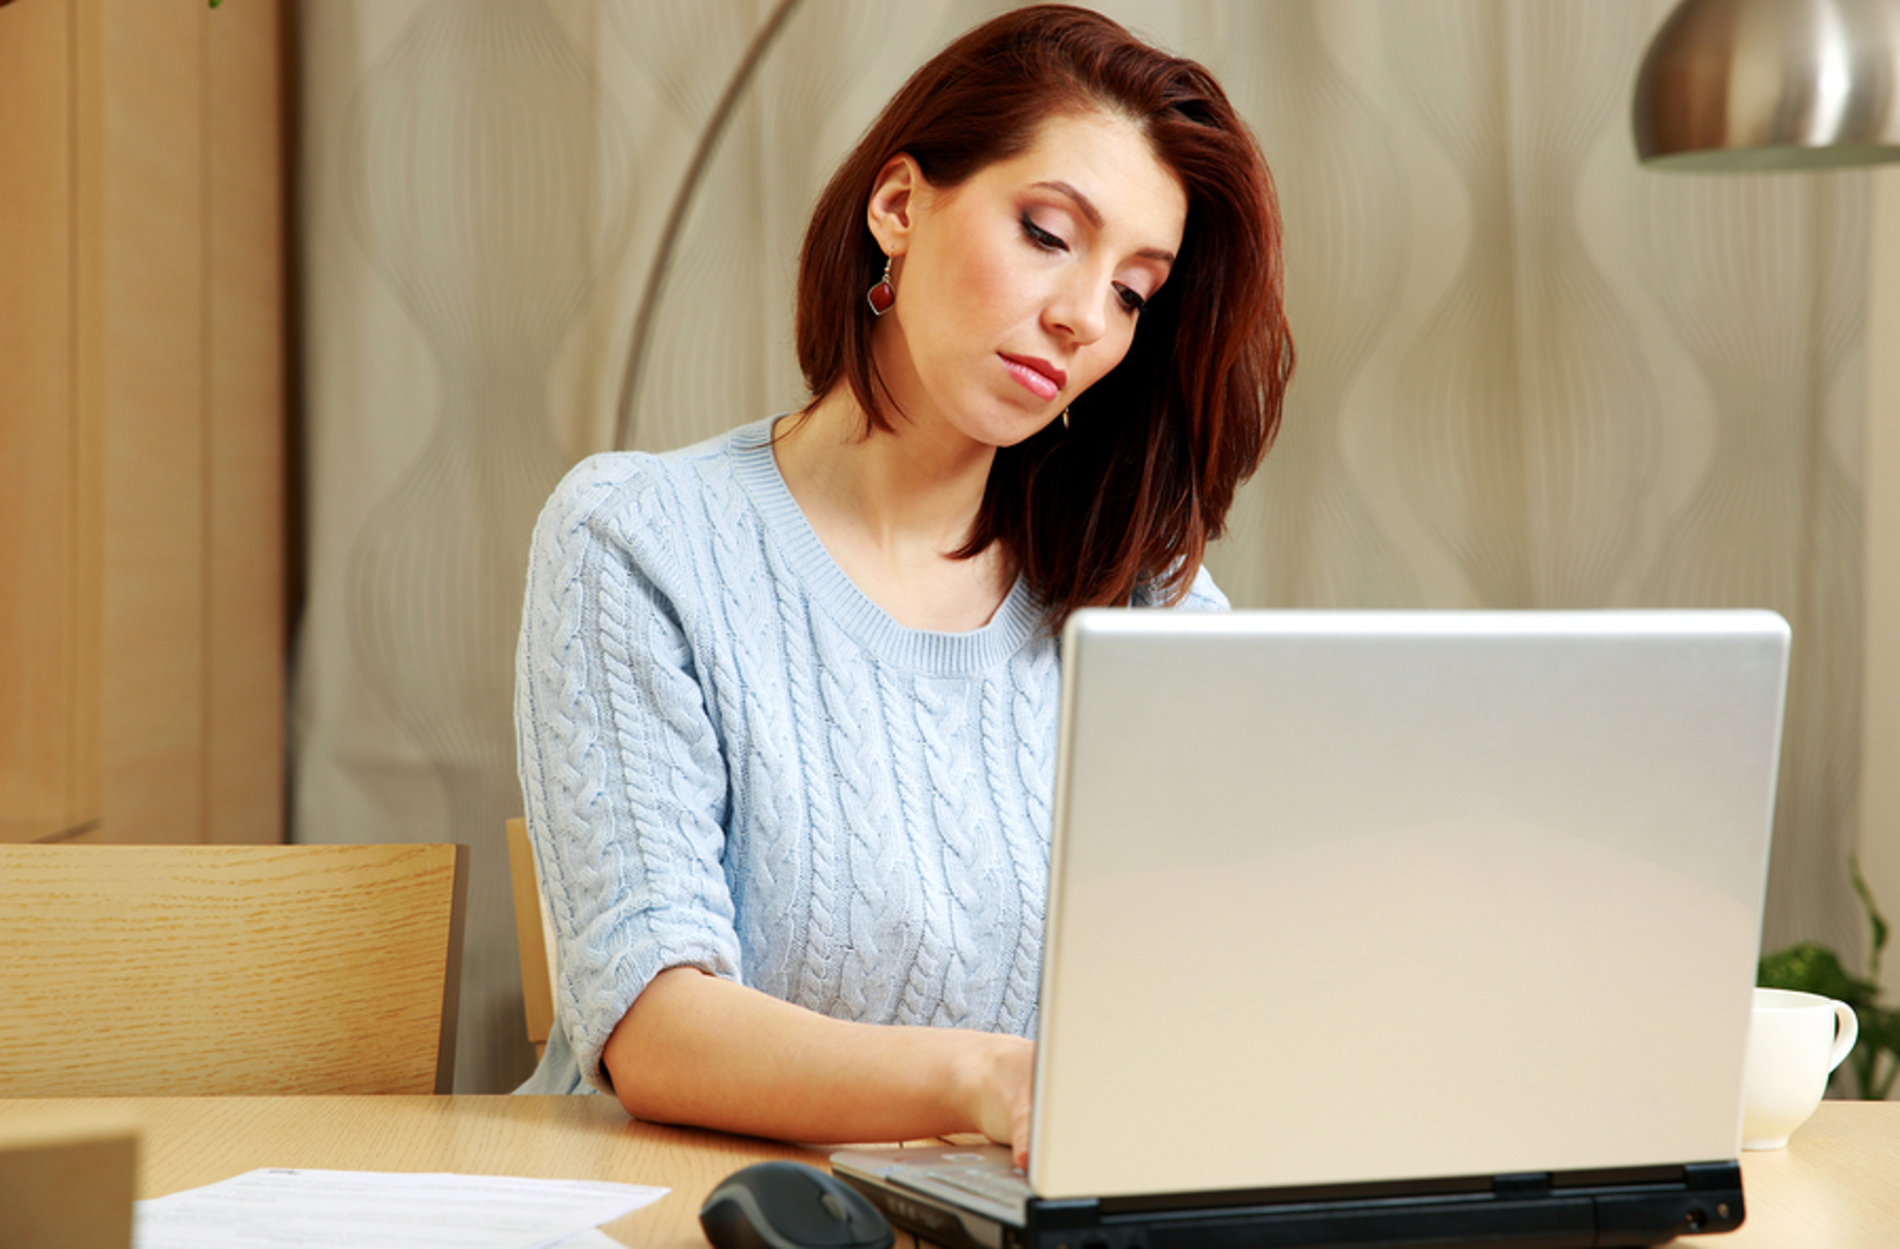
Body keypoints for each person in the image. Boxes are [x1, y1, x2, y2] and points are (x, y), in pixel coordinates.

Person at [512, 4, 1292, 1167]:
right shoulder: (638, 540)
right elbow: (653, 1027)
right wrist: (990, 1079)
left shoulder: (1144, 596)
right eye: (1045, 233)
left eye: (1134, 290)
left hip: (1010, 1208)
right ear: (898, 208)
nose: (1084, 315)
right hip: (695, 1203)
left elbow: (1241, 958)